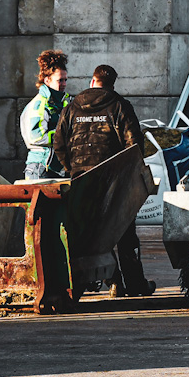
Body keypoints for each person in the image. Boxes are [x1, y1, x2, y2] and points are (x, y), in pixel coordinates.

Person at [52, 64, 153, 296]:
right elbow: (135, 146)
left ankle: (113, 281)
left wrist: (74, 169)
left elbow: (58, 144)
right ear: (111, 85)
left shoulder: (71, 107)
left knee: (90, 235)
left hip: (81, 181)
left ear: (92, 81)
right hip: (113, 182)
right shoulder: (120, 106)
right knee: (124, 233)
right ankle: (135, 285)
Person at [20, 50, 69, 181]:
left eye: (65, 80)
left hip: (55, 168)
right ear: (47, 80)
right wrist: (66, 136)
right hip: (40, 167)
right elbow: (36, 137)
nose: (64, 84)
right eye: (60, 80)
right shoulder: (39, 104)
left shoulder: (62, 103)